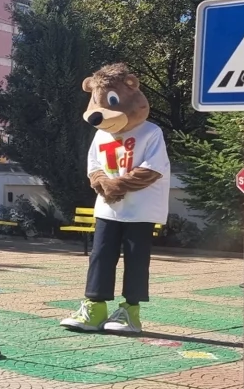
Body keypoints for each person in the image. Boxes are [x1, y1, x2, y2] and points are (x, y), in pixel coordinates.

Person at [60, 63, 170, 334]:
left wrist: (118, 184)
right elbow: (94, 166)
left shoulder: (151, 132)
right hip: (108, 208)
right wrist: (103, 184)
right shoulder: (101, 134)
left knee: (136, 258)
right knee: (100, 255)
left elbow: (153, 168)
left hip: (140, 209)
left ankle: (130, 311)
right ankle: (94, 307)